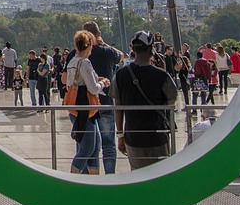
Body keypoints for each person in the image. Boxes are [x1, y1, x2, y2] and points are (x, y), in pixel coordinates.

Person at [112, 31, 177, 170]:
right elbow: (171, 101)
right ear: (151, 49)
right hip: (157, 136)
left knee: (137, 176)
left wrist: (120, 135)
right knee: (160, 175)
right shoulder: (161, 75)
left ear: (133, 49)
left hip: (133, 136)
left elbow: (118, 108)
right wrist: (163, 70)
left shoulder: (120, 75)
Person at [66, 30, 109, 174]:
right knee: (89, 148)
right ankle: (76, 178)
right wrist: (103, 84)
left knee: (94, 145)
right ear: (89, 46)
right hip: (85, 109)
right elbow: (93, 88)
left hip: (77, 108)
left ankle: (90, 177)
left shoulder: (73, 62)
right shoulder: (84, 63)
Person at [83, 21, 120, 173]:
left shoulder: (78, 54)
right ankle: (110, 175)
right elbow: (121, 55)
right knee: (108, 144)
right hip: (105, 101)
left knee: (89, 145)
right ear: (98, 34)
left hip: (85, 103)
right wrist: (104, 43)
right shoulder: (108, 52)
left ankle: (88, 175)